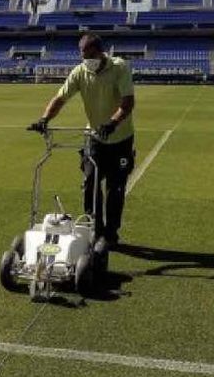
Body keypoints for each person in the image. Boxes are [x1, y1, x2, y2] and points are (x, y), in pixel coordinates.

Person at [29, 33, 135, 246]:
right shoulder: (80, 72)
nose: (88, 60)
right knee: (90, 184)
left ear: (100, 51)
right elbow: (60, 97)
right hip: (94, 138)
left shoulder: (119, 67)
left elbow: (128, 102)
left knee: (115, 188)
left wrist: (112, 123)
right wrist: (44, 119)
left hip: (120, 139)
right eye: (84, 56)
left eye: (91, 55)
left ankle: (111, 233)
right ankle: (93, 228)